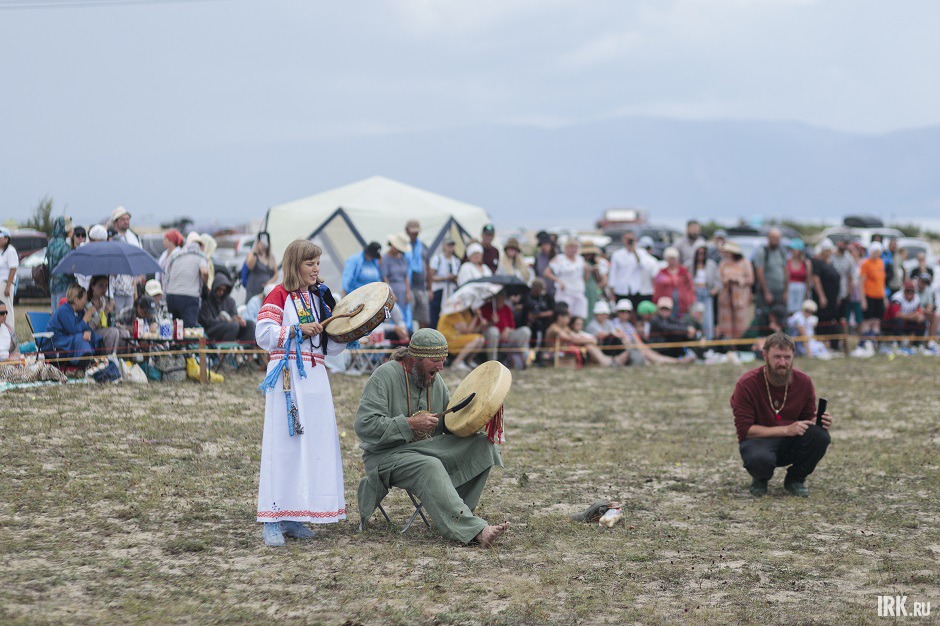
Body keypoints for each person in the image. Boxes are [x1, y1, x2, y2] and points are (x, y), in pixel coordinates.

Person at [354, 328, 509, 546]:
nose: (441, 366)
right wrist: (408, 424)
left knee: (483, 445)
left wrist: (479, 412)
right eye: (435, 360)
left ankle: (455, 512)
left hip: (427, 448)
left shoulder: (435, 381)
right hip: (385, 456)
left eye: (443, 360)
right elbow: (363, 425)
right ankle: (474, 530)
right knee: (429, 465)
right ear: (414, 358)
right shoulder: (384, 376)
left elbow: (448, 425)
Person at [254, 239, 348, 547]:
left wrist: (350, 332)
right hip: (288, 377)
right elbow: (263, 335)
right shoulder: (278, 295)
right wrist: (296, 331)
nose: (316, 269)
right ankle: (271, 518)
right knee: (283, 444)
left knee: (311, 445)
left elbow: (329, 346)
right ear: (295, 265)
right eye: (310, 263)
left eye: (318, 263)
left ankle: (294, 516)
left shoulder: (320, 298)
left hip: (315, 379)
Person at [730, 332, 833, 497]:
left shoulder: (803, 382)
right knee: (759, 458)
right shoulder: (747, 384)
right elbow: (745, 429)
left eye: (787, 357)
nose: (783, 363)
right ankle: (760, 479)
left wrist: (820, 419)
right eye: (777, 357)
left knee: (821, 436)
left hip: (790, 442)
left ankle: (795, 479)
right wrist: (786, 430)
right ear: (765, 355)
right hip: (759, 441)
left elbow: (808, 418)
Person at [545, 305, 626, 366]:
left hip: (566, 349)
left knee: (589, 344)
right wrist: (590, 340)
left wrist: (590, 339)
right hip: (553, 352)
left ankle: (606, 360)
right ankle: (605, 362)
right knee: (589, 344)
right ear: (560, 317)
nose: (569, 320)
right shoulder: (554, 328)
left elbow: (576, 336)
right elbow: (571, 339)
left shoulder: (564, 328)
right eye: (567, 317)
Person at [48, 283, 100, 366]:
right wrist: (86, 317)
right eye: (84, 299)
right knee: (80, 338)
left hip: (70, 339)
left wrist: (88, 332)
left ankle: (99, 359)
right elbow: (73, 330)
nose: (85, 302)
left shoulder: (80, 312)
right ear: (76, 300)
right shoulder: (64, 310)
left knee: (94, 336)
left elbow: (84, 327)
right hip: (57, 340)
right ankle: (85, 363)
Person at [164, 233, 209, 328]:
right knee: (189, 329)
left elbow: (167, 274)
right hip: (189, 297)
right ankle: (187, 343)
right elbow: (204, 272)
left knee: (175, 328)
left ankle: (176, 343)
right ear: (201, 246)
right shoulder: (200, 256)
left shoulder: (176, 255)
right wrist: (205, 283)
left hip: (171, 296)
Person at [479, 290, 531, 369]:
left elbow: (512, 327)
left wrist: (507, 329)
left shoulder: (507, 308)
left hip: (506, 336)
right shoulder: (485, 308)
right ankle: (493, 363)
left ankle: (524, 359)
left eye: (503, 297)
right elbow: (481, 327)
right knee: (493, 331)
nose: (502, 299)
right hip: (491, 336)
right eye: (499, 297)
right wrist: (491, 322)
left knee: (525, 331)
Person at [607, 231, 657, 311]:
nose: (629, 241)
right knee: (622, 311)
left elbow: (643, 266)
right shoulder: (617, 254)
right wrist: (611, 291)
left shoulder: (641, 252)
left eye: (631, 239)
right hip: (621, 289)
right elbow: (613, 274)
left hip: (635, 289)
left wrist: (634, 251)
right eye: (627, 239)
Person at [200, 273, 255, 342]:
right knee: (233, 326)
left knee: (250, 324)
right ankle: (225, 350)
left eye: (223, 290)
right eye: (219, 289)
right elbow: (209, 322)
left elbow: (234, 316)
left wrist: (239, 320)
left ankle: (247, 349)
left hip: (231, 327)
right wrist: (228, 321)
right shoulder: (207, 303)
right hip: (213, 330)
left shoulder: (230, 301)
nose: (221, 292)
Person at [109, 206, 144, 312]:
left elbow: (140, 258)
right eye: (123, 219)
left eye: (127, 219)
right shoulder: (110, 238)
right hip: (115, 288)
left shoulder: (134, 238)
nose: (126, 222)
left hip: (130, 287)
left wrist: (140, 276)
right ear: (115, 222)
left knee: (129, 316)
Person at [716, 241, 754, 340]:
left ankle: (740, 342)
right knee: (726, 323)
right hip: (726, 297)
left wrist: (738, 280)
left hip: (740, 297)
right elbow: (719, 278)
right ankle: (728, 343)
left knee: (740, 322)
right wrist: (726, 280)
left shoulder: (745, 263)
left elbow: (750, 279)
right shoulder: (723, 263)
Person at [544, 238, 588, 319]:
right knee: (565, 315)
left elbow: (585, 277)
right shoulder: (559, 259)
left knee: (579, 316)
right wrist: (558, 280)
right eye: (571, 247)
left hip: (578, 291)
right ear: (566, 247)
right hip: (565, 292)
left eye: (575, 247)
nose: (573, 249)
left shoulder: (580, 259)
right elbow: (546, 272)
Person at [436, 303, 486, 371]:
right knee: (476, 339)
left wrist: (481, 326)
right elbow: (465, 331)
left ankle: (468, 361)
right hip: (447, 340)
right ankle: (457, 363)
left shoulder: (466, 313)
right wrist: (476, 316)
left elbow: (471, 331)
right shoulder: (453, 313)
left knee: (481, 339)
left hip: (457, 337)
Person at [810, 239, 841, 345]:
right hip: (824, 296)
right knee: (822, 319)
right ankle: (821, 343)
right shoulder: (817, 263)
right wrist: (822, 296)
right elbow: (816, 280)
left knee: (831, 319)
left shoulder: (831, 262)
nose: (828, 253)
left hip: (832, 296)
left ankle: (829, 342)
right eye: (826, 251)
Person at [686, 243, 720, 339]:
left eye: (703, 253)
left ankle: (708, 341)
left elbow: (717, 281)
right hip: (694, 293)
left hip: (706, 292)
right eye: (699, 253)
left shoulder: (711, 265)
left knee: (707, 319)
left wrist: (714, 290)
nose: (701, 255)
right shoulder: (689, 265)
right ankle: (695, 339)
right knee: (694, 317)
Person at [86, 275, 127, 353]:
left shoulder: (105, 300)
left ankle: (123, 361)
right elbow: (90, 326)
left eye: (106, 286)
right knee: (113, 332)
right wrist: (105, 312)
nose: (104, 289)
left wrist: (112, 313)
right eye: (101, 285)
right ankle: (108, 360)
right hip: (91, 331)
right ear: (93, 286)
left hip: (105, 329)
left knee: (124, 333)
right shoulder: (87, 302)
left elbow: (111, 323)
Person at [652, 247, 695, 319]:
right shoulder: (661, 272)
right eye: (670, 259)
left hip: (682, 302)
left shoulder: (684, 271)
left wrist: (691, 299)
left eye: (674, 259)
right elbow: (657, 288)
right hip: (667, 302)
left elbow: (690, 286)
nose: (672, 261)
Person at [753, 228, 788, 315]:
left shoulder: (781, 251)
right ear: (768, 238)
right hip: (767, 292)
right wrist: (766, 292)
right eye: (774, 238)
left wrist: (786, 291)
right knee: (765, 316)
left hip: (780, 292)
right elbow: (759, 273)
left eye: (778, 238)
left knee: (779, 317)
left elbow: (786, 271)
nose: (776, 241)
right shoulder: (762, 252)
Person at [858, 241, 887, 344]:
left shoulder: (881, 263)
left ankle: (874, 342)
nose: (877, 254)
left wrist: (884, 298)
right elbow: (860, 283)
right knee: (867, 320)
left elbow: (882, 282)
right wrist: (863, 300)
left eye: (878, 252)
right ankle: (864, 342)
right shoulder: (865, 264)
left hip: (879, 296)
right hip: (869, 295)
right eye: (875, 251)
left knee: (877, 321)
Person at [428, 237, 461, 330]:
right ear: (444, 246)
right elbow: (431, 276)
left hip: (450, 291)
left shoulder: (456, 261)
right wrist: (445, 277)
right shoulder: (437, 259)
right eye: (448, 245)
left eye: (452, 245)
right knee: (435, 314)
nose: (450, 248)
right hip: (439, 290)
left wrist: (454, 279)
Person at [404, 220, 431, 329]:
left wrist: (430, 288)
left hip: (422, 288)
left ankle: (422, 341)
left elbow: (428, 267)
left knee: (424, 318)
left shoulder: (423, 246)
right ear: (407, 231)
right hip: (409, 287)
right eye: (413, 231)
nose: (415, 234)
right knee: (409, 316)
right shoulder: (403, 246)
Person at [383, 232, 413, 328]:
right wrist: (391, 293)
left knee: (402, 317)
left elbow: (405, 276)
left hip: (403, 291)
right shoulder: (385, 258)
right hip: (393, 289)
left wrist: (408, 292)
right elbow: (385, 277)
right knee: (393, 314)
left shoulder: (402, 258)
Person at [886, 280, 926, 345]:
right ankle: (899, 343)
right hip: (891, 322)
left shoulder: (917, 298)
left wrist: (918, 317)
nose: (909, 293)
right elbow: (897, 315)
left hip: (908, 321)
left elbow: (919, 313)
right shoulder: (897, 297)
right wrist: (912, 316)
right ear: (904, 290)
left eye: (911, 291)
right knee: (899, 321)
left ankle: (916, 345)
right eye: (907, 291)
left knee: (922, 322)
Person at [830, 239, 857, 339]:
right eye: (843, 242)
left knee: (842, 319)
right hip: (831, 293)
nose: (844, 245)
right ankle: (831, 342)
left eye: (846, 243)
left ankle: (842, 342)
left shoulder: (849, 259)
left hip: (843, 293)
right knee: (831, 319)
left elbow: (851, 277)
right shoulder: (831, 256)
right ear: (838, 243)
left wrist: (847, 293)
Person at [46, 216, 74, 310]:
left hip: (52, 283)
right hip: (64, 284)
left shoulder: (51, 243)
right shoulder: (65, 246)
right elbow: (68, 268)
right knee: (62, 311)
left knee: (54, 311)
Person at [244, 232, 277, 301]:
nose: (263, 244)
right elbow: (250, 266)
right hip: (253, 288)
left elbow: (276, 274)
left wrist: (269, 283)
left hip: (265, 289)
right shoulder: (252, 254)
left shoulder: (271, 257)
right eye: (261, 241)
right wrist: (255, 251)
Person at [784, 239, 813, 314]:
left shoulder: (806, 263)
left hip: (801, 290)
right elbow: (786, 279)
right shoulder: (788, 261)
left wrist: (807, 294)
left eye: (793, 249)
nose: (792, 251)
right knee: (789, 312)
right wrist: (786, 292)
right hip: (790, 289)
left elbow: (808, 280)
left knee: (800, 312)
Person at [580, 244, 607, 323]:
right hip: (585, 289)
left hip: (594, 289)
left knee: (594, 308)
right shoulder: (581, 263)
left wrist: (597, 288)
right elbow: (585, 278)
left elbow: (603, 280)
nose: (588, 256)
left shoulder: (598, 263)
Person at [0, 227, 19, 333]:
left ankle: (11, 335)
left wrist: (7, 286)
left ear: (6, 238)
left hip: (5, 284)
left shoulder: (10, 250)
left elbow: (13, 268)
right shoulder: (1, 251)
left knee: (7, 311)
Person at [533, 232, 557, 297]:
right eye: (543, 244)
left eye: (547, 244)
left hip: (557, 290)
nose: (545, 246)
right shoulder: (538, 257)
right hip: (544, 290)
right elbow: (536, 273)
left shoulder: (558, 256)